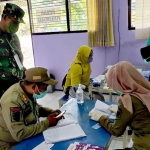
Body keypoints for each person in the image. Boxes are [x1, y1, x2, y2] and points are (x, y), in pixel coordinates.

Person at [89, 61, 150, 150]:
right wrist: (121, 110)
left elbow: (116, 131)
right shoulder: (145, 90)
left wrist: (101, 117)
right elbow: (141, 112)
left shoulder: (128, 99)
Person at [0, 67, 63, 150]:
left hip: (26, 138)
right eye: (44, 87)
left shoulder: (26, 90)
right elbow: (20, 134)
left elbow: (35, 108)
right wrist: (47, 122)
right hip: (11, 144)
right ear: (34, 86)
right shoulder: (13, 101)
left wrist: (50, 112)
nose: (46, 90)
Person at [0, 3, 26, 97]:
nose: (16, 26)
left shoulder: (14, 37)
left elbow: (19, 57)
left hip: (16, 85)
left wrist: (25, 73)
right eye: (15, 22)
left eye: (18, 23)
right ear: (5, 17)